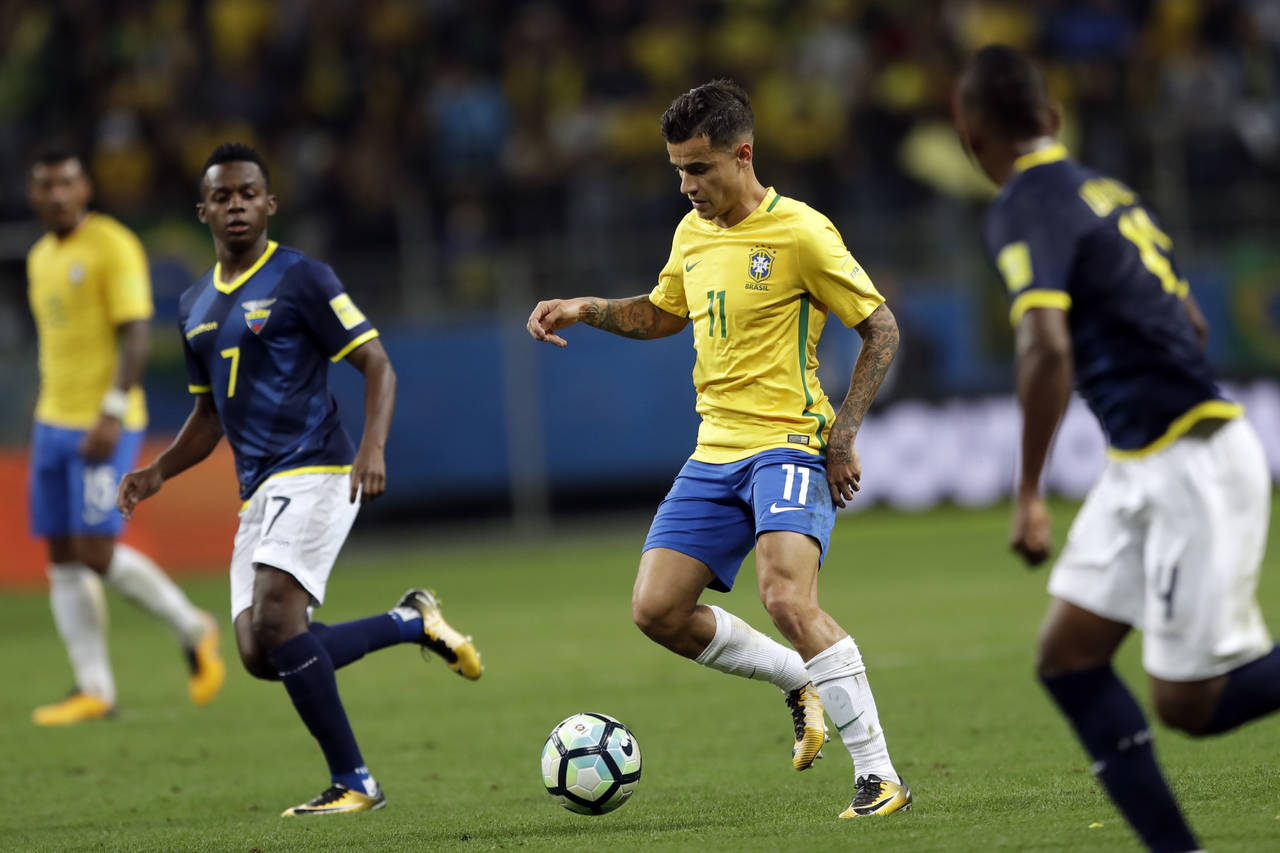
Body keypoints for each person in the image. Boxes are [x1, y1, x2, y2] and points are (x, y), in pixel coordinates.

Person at [527, 80, 911, 818]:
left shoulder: (802, 232)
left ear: (743, 155)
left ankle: (880, 773)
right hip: (714, 450)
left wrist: (843, 434)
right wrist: (587, 307)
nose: (686, 186)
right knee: (657, 609)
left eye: (699, 169)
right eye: (677, 170)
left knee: (785, 596)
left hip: (790, 444)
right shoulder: (691, 233)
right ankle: (797, 680)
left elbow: (881, 328)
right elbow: (662, 312)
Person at [955, 45, 1280, 853]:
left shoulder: (1023, 202)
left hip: (1191, 460)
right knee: (1068, 657)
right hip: (1147, 457)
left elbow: (1046, 348)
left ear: (970, 135)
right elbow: (1194, 323)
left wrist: (1028, 489)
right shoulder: (1109, 192)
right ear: (1053, 119)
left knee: (1190, 702)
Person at [116, 142, 483, 817]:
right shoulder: (194, 303)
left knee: (280, 616)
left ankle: (355, 780)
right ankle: (412, 621)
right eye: (222, 196)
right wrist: (157, 471)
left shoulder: (302, 277)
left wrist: (372, 447)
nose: (236, 205)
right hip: (257, 489)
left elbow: (377, 364)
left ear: (269, 203)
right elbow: (209, 413)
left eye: (248, 193)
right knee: (261, 649)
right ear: (204, 209)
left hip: (318, 467)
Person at [25, 147, 226, 726]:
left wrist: (111, 410)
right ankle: (95, 690)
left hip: (103, 421)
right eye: (46, 185)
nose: (57, 194)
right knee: (61, 555)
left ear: (85, 187)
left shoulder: (112, 245)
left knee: (95, 550)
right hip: (52, 421)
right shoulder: (40, 257)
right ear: (34, 194)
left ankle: (193, 626)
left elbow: (137, 333)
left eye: (66, 182)